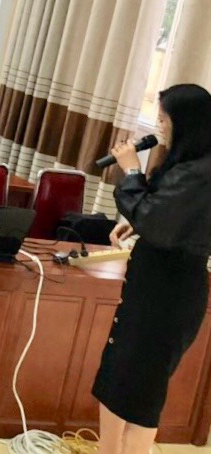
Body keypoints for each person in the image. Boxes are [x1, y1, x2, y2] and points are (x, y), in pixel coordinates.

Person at [95, 84, 211, 451]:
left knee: (141, 391)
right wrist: (138, 223)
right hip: (154, 285)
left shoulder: (201, 173)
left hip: (168, 294)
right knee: (117, 378)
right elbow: (167, 217)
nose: (158, 126)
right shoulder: (191, 163)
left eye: (163, 119)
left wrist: (132, 170)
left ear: (186, 123)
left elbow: (158, 219)